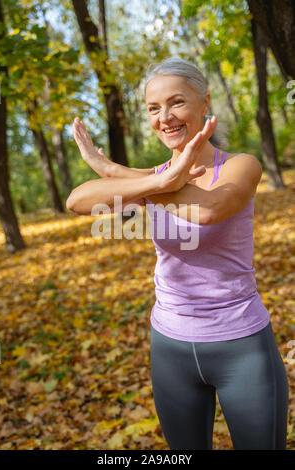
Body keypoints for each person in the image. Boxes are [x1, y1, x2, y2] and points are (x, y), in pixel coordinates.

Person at [66, 57, 289, 450]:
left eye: (176, 103)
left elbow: (209, 210)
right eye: (154, 108)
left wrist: (118, 172)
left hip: (241, 344)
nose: (164, 117)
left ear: (204, 104)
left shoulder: (241, 166)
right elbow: (78, 200)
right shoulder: (154, 178)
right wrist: (159, 178)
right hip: (169, 346)